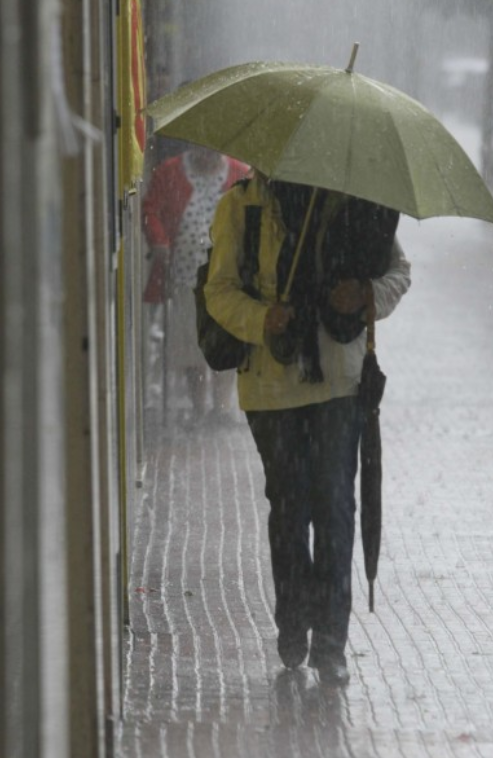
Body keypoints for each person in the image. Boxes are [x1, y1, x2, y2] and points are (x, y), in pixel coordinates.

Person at [204, 173, 411, 685]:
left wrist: (363, 292)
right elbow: (219, 289)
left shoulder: (353, 203)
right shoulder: (242, 207)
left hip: (338, 385)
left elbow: (398, 273)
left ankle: (331, 643)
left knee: (336, 506)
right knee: (290, 506)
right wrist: (262, 318)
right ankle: (294, 618)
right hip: (270, 389)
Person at [142, 145, 250, 424]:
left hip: (227, 278)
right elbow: (150, 210)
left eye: (214, 151)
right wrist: (160, 242)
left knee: (224, 339)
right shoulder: (170, 173)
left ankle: (223, 406)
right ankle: (199, 406)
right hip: (185, 277)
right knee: (191, 343)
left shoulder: (239, 173)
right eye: (204, 150)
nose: (208, 156)